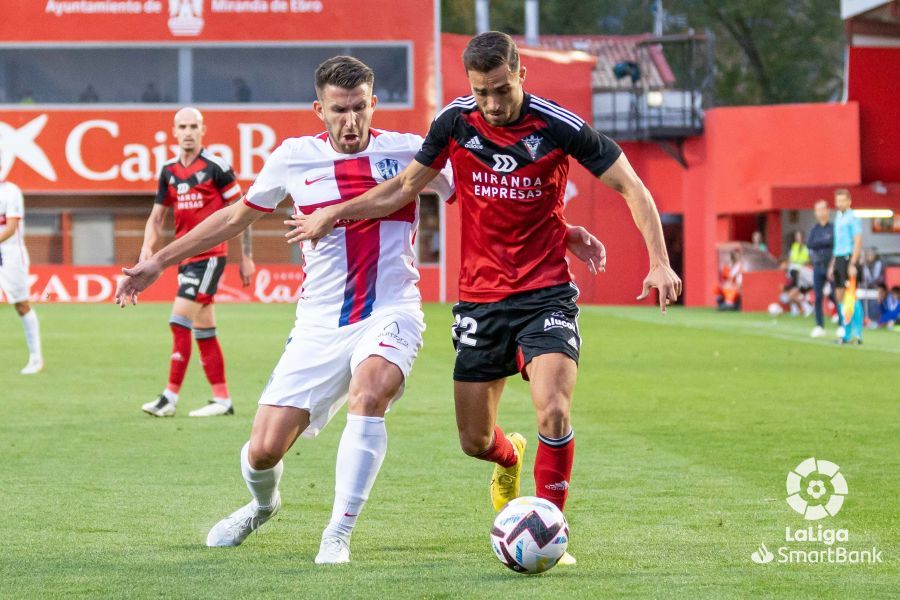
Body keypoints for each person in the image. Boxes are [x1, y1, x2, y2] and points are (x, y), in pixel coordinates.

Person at [289, 32, 681, 566]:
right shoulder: (455, 122)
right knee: (474, 440)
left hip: (545, 293)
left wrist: (659, 260)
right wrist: (333, 213)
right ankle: (509, 456)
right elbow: (404, 187)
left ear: (520, 75)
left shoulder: (557, 125)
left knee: (554, 409)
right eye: (481, 92)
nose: (492, 104)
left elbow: (631, 185)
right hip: (480, 300)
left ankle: (549, 528)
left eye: (501, 89)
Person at [116, 56, 466, 564]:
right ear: (319, 110)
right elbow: (233, 218)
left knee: (370, 392)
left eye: (360, 108)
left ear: (374, 103)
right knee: (263, 451)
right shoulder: (294, 158)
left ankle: (337, 534)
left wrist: (555, 231)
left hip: (392, 309)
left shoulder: (410, 151)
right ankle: (262, 506)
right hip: (319, 323)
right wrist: (158, 261)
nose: (351, 121)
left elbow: (477, 197)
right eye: (339, 110)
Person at [138, 107, 254, 418]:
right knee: (205, 329)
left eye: (193, 126)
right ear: (174, 132)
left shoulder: (217, 167)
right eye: (182, 127)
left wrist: (246, 257)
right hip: (183, 258)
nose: (188, 132)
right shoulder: (168, 171)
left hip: (210, 256)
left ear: (202, 130)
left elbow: (243, 211)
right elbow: (156, 217)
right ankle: (222, 399)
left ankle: (169, 398)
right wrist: (147, 247)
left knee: (179, 321)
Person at [0, 172, 43, 374]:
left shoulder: (10, 192)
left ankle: (36, 358)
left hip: (10, 256)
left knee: (21, 304)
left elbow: (10, 228)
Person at [828, 188, 862, 338]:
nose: (840, 203)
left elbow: (858, 241)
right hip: (839, 258)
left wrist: (853, 263)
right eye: (838, 200)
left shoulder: (853, 217)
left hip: (848, 258)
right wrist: (833, 263)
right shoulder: (838, 217)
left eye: (843, 200)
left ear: (849, 201)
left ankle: (857, 333)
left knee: (851, 295)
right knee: (839, 294)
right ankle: (845, 331)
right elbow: (837, 244)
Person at [807, 199, 839, 337]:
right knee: (818, 296)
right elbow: (810, 244)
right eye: (817, 210)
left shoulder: (833, 228)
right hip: (818, 266)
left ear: (827, 210)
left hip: (831, 266)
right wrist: (825, 242)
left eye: (822, 209)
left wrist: (821, 243)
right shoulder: (814, 230)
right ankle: (819, 325)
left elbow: (835, 243)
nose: (820, 212)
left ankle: (842, 325)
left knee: (836, 295)